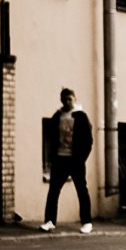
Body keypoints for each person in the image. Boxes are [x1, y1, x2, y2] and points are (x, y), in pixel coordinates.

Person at [42, 87, 94, 233]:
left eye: (69, 99)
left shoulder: (81, 116)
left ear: (75, 99)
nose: (67, 102)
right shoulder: (57, 116)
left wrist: (81, 158)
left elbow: (89, 141)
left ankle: (87, 222)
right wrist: (52, 157)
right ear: (61, 100)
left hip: (76, 160)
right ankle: (50, 221)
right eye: (64, 99)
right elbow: (50, 136)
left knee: (82, 190)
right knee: (53, 191)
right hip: (60, 159)